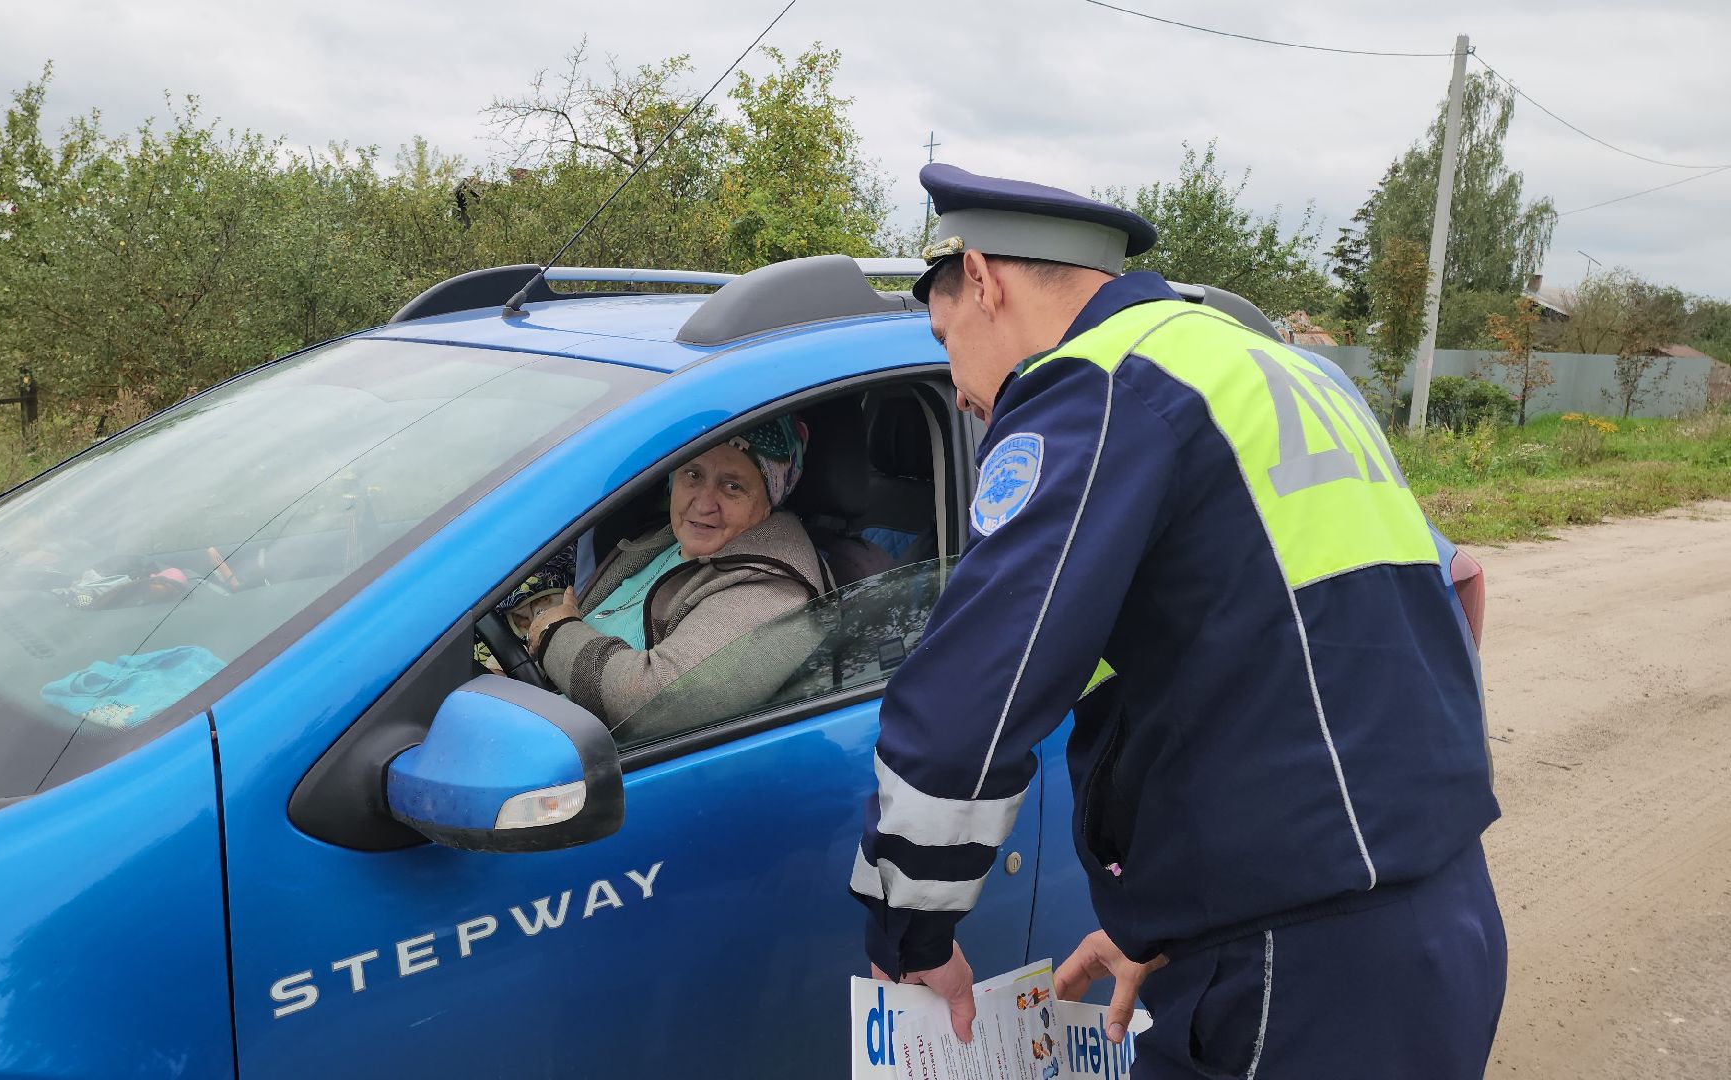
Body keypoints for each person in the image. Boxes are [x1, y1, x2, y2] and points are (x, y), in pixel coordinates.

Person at [850, 164, 1503, 1079]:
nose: (957, 389)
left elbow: (974, 698)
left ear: (984, 279)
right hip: (1436, 917)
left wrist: (910, 933)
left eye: (942, 333)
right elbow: (1337, 630)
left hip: (1299, 970)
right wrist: (1172, 921)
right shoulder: (1267, 365)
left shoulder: (1099, 384)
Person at [528, 415, 826, 734]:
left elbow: (654, 703)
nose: (704, 504)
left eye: (733, 486)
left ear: (769, 501)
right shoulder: (662, 539)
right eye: (693, 475)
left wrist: (555, 635)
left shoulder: (773, 593)